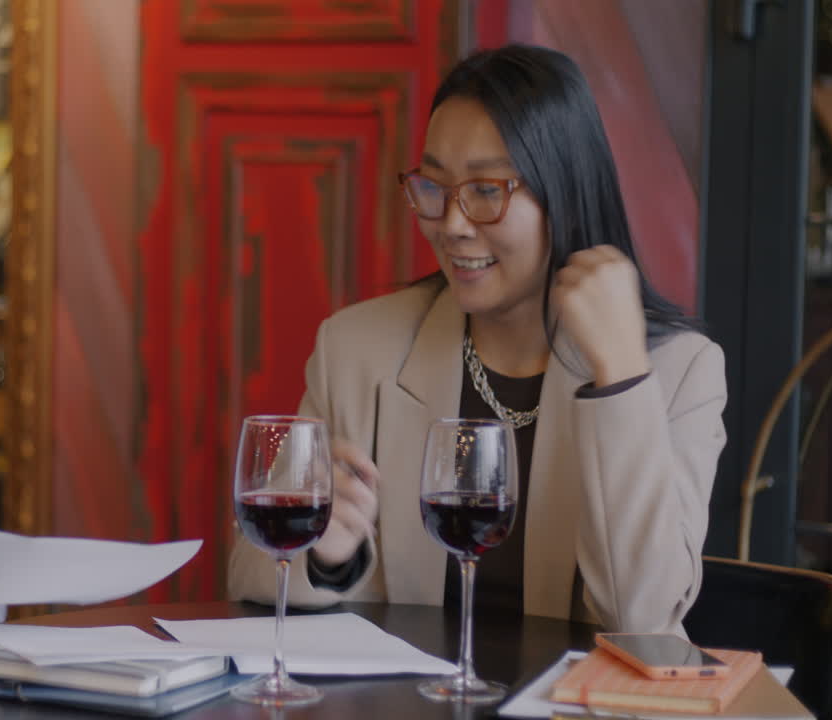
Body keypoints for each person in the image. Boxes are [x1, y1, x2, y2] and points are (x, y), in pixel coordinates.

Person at [227, 44, 726, 635]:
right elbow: (246, 574)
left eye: (488, 191)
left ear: (563, 193)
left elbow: (641, 617)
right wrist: (325, 555)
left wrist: (619, 373)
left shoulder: (680, 371)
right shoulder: (358, 349)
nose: (452, 224)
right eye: (433, 186)